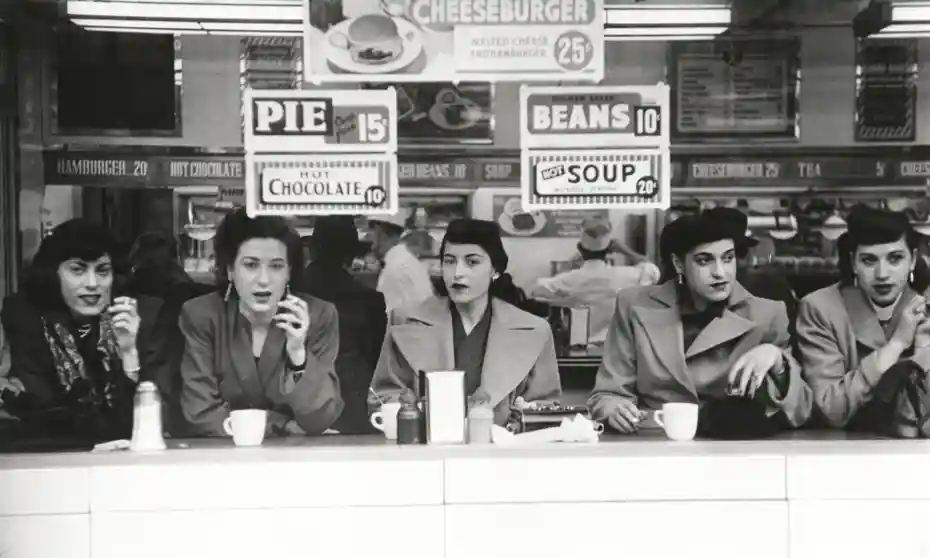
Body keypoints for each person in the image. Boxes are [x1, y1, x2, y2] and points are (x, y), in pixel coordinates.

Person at [588, 208, 812, 438]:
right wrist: (614, 409)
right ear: (679, 264)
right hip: (654, 443)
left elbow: (800, 411)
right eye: (704, 261)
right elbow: (607, 394)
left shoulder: (768, 314)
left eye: (728, 258)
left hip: (733, 447)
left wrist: (777, 360)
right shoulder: (632, 305)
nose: (720, 272)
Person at [369, 218, 561, 426]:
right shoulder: (405, 323)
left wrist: (518, 419)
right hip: (426, 451)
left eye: (472, 262)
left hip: (505, 452)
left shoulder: (535, 330)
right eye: (450, 261)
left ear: (495, 270)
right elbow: (382, 398)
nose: (458, 273)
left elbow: (546, 407)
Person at [0, 219, 169, 441]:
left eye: (102, 271)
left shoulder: (142, 317)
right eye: (77, 270)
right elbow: (38, 413)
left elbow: (156, 419)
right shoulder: (26, 320)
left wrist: (128, 353)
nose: (92, 283)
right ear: (53, 274)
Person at [178, 209, 343, 437]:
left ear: (289, 273)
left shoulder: (318, 315)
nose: (263, 280)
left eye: (276, 266)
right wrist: (281, 425)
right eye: (251, 265)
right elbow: (200, 413)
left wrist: (298, 355)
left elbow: (319, 419)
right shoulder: (202, 315)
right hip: (223, 456)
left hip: (296, 460)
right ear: (230, 270)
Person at [797, 205, 930, 437]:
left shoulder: (926, 309)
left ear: (913, 261)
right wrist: (896, 344)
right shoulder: (820, 308)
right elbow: (832, 409)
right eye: (869, 260)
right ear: (854, 263)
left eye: (895, 258)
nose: (882, 273)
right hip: (841, 452)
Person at [303, 216, 387, 434]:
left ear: (312, 249)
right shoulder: (370, 301)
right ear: (351, 253)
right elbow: (377, 360)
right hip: (354, 405)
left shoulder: (289, 294)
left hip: (300, 404)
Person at [531, 215, 661, 345]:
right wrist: (626, 251)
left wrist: (562, 299)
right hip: (616, 347)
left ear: (580, 248)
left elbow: (538, 290)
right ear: (610, 248)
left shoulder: (570, 279)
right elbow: (653, 270)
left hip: (579, 348)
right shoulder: (627, 276)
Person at [367, 212, 433, 313]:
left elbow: (387, 320)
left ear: (380, 232)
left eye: (371, 228)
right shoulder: (407, 262)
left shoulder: (394, 270)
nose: (367, 235)